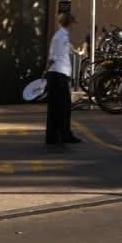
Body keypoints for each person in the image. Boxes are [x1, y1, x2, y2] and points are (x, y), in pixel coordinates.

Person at [45, 11, 81, 148]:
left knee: (56, 107)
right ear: (69, 23)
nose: (74, 26)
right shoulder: (60, 37)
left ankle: (53, 136)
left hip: (59, 74)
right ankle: (64, 135)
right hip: (58, 74)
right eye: (73, 23)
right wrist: (46, 72)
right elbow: (53, 57)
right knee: (63, 107)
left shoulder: (62, 36)